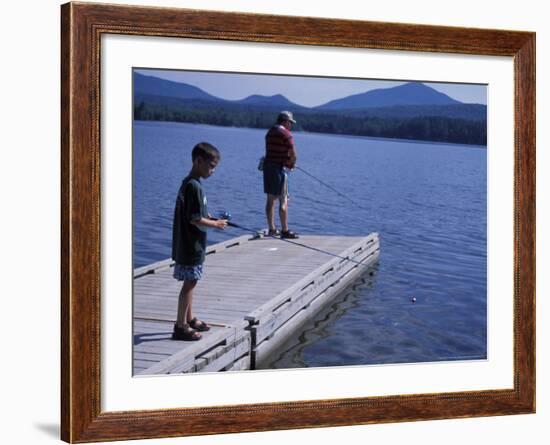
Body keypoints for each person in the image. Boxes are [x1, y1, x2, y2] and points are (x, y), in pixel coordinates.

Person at [171, 142, 227, 341]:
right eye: (211, 166)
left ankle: (189, 318)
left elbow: (195, 213)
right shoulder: (193, 186)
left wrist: (208, 217)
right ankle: (180, 326)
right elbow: (194, 219)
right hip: (190, 246)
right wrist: (217, 224)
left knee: (191, 283)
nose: (212, 171)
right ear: (198, 161)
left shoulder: (189, 182)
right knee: (189, 284)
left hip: (188, 244)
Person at [263, 111, 299, 239]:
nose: (291, 125)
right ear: (285, 121)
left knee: (270, 200)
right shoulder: (286, 134)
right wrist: (291, 164)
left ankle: (272, 228)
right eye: (290, 122)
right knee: (283, 200)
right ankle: (285, 230)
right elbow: (293, 155)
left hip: (267, 168)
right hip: (279, 169)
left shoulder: (269, 133)